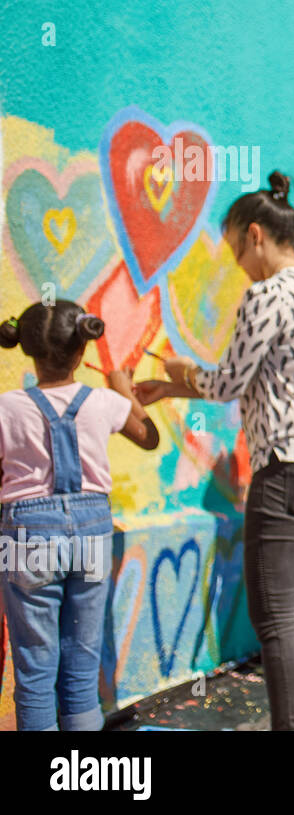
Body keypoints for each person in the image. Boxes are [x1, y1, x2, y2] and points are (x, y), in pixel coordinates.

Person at [136, 171, 294, 730]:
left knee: (275, 614)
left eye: (235, 244)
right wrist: (171, 389)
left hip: (290, 468)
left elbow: (226, 383)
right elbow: (269, 378)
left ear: (255, 233)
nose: (235, 259)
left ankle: (290, 727)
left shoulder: (266, 295)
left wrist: (180, 370)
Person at [0, 301, 159, 730]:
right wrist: (123, 388)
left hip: (28, 534)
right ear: (82, 349)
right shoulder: (103, 402)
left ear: (27, 350)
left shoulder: (7, 407)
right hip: (91, 532)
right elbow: (149, 437)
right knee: (81, 665)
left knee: (35, 669)